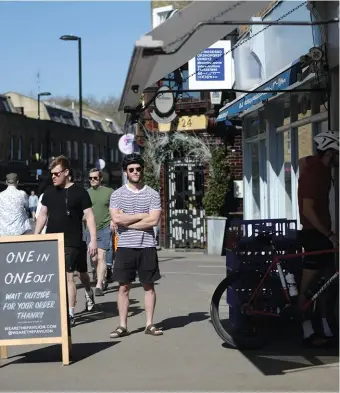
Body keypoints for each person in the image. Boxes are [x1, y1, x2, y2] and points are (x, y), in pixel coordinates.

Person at [34, 155, 98, 326]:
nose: (53, 177)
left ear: (66, 172)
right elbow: (42, 215)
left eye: (56, 174)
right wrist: (35, 236)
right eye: (52, 174)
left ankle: (70, 313)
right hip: (52, 240)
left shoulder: (80, 192)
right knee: (56, 277)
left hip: (72, 240)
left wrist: (93, 240)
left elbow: (90, 216)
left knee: (70, 276)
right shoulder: (48, 192)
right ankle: (60, 308)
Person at [109, 153, 163, 338]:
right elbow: (116, 218)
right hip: (125, 246)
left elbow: (154, 220)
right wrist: (142, 216)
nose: (135, 172)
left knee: (149, 286)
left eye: (138, 169)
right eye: (131, 169)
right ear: (126, 172)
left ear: (142, 170)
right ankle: (123, 325)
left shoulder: (153, 194)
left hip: (147, 246)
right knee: (124, 287)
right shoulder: (117, 195)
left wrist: (127, 222)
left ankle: (149, 324)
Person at [297, 130, 339, 348]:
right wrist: (330, 235)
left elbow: (302, 161)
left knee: (327, 284)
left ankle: (325, 326)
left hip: (320, 234)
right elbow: (308, 209)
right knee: (307, 287)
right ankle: (307, 333)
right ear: (331, 152)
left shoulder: (319, 168)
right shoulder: (315, 173)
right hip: (315, 235)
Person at [86, 168, 114, 296]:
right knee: (94, 258)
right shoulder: (86, 193)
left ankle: (99, 285)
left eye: (95, 178)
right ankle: (100, 276)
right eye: (90, 178)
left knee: (102, 256)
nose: (92, 180)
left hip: (104, 227)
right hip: (89, 229)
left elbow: (114, 209)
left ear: (101, 179)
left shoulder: (109, 192)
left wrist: (113, 221)